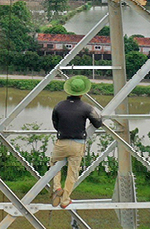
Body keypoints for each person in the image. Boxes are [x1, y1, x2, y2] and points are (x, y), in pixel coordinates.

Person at [50, 75, 103, 208]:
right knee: (72, 172)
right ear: (82, 93)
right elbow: (97, 123)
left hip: (61, 142)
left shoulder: (59, 106)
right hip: (77, 144)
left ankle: (57, 188)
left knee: (54, 163)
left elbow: (55, 124)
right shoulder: (86, 107)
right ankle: (65, 199)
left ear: (68, 91)